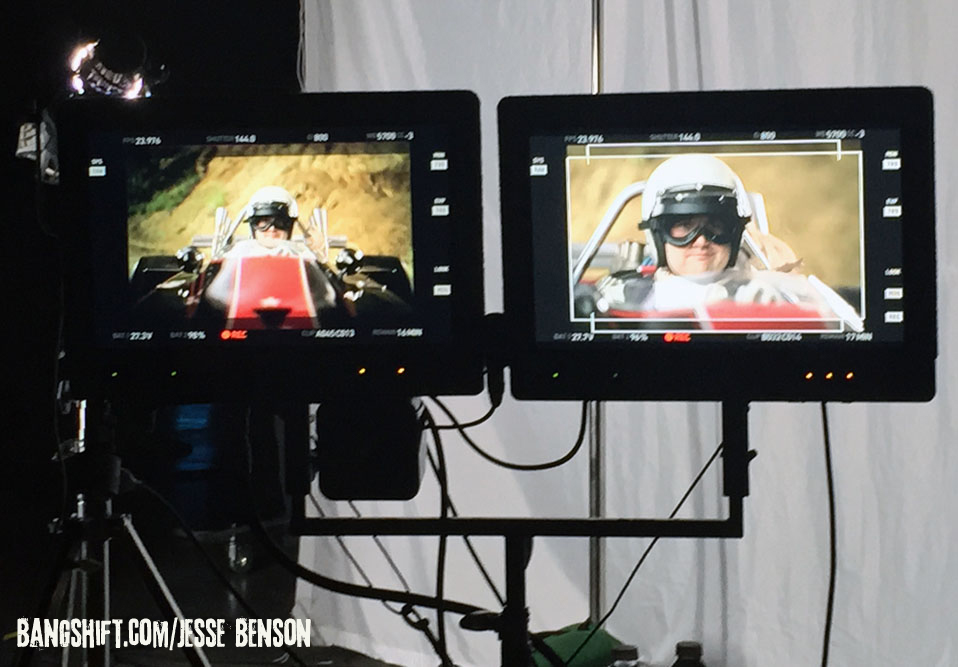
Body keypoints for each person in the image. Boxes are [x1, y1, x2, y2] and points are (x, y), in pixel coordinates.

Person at [578, 154, 848, 325]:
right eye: (684, 226)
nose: (701, 241)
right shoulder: (619, 295)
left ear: (735, 233)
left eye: (716, 226)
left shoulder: (771, 292)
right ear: (657, 235)